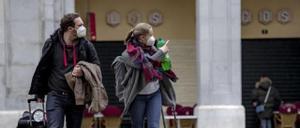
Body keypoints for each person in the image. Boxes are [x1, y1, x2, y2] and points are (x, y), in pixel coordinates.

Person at [28, 13, 100, 128]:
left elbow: (96, 66)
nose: (83, 28)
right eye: (80, 25)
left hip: (77, 96)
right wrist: (39, 93)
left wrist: (83, 70)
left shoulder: (86, 45)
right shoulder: (51, 43)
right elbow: (43, 68)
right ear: (70, 29)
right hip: (55, 95)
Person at [112, 23, 177, 128]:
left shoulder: (153, 50)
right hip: (137, 96)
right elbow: (143, 65)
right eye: (151, 35)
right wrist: (123, 98)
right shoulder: (129, 54)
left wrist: (165, 59)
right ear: (142, 38)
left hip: (155, 94)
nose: (153, 38)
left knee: (154, 125)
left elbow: (158, 66)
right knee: (138, 125)